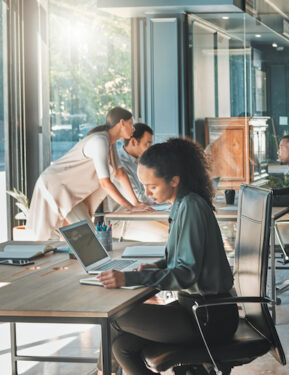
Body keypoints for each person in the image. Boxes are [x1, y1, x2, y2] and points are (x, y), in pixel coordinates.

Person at [95, 138, 238, 375]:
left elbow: (186, 273)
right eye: (143, 186)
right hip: (197, 310)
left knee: (111, 317)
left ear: (174, 180)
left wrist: (128, 279)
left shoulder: (191, 206)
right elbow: (185, 260)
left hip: (207, 317)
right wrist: (158, 265)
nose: (146, 192)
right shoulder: (183, 203)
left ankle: (102, 373)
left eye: (152, 186)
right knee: (122, 347)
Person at [27, 107, 150, 241]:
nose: (133, 128)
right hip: (54, 186)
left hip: (72, 194)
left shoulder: (110, 143)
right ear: (122, 123)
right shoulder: (99, 141)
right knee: (45, 238)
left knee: (83, 238)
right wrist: (130, 207)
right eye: (131, 123)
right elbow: (105, 183)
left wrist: (136, 203)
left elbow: (120, 173)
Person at [115, 123, 155, 204]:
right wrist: (162, 199)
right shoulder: (120, 164)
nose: (150, 149)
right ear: (133, 142)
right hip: (124, 213)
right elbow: (138, 198)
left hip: (144, 210)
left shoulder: (141, 160)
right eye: (147, 144)